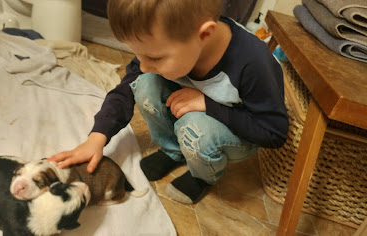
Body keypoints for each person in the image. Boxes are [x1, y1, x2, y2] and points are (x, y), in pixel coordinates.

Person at [48, 0, 288, 204]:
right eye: (137, 54)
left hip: (240, 127)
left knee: (195, 128)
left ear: (204, 35)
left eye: (154, 57)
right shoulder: (175, 36)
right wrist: (96, 139)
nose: (142, 64)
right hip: (195, 103)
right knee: (144, 83)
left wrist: (209, 105)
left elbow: (274, 133)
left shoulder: (254, 64)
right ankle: (174, 151)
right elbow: (126, 89)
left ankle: (203, 176)